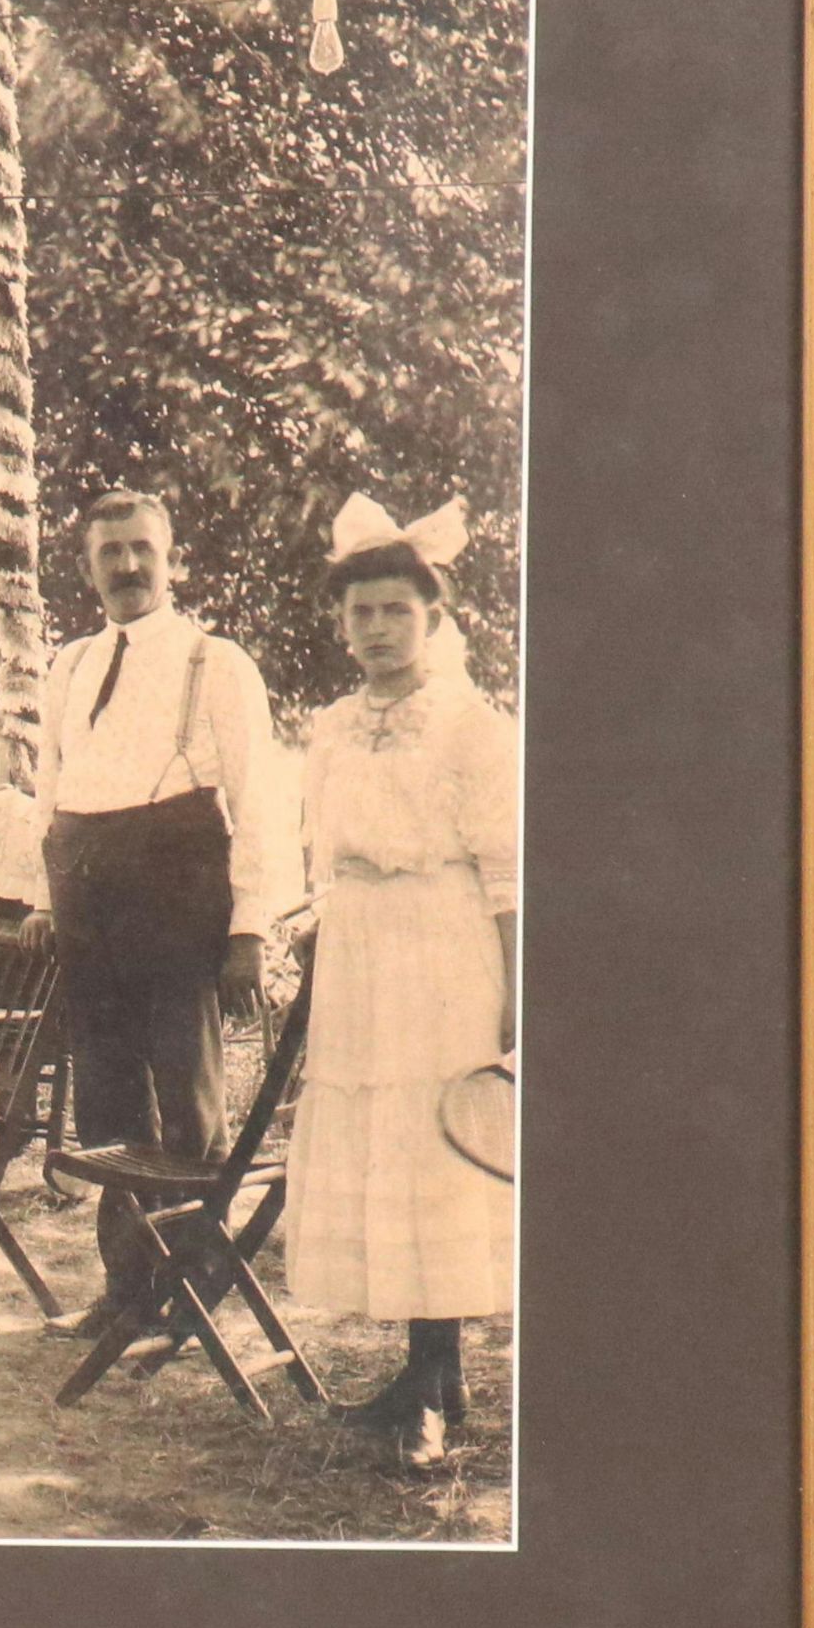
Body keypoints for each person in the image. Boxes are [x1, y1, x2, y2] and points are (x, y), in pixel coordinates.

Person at [0, 490, 283, 1333]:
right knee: (107, 1101)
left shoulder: (213, 661)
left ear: (170, 559)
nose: (126, 567)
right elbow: (50, 788)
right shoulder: (70, 664)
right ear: (86, 568)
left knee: (185, 1104)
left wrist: (248, 929)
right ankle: (128, 1289)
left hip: (178, 888)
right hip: (87, 889)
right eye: (108, 553)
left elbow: (259, 799)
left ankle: (188, 1294)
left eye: (141, 551)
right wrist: (45, 898)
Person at [281, 495, 519, 1467]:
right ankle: (428, 1375)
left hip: (444, 944)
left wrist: (517, 987)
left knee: (436, 1147)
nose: (377, 629)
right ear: (341, 623)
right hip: (362, 946)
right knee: (380, 1144)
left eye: (396, 611)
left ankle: (432, 1385)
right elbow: (321, 849)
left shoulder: (473, 726)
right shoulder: (331, 727)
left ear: (433, 616)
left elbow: (506, 868)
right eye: (361, 612)